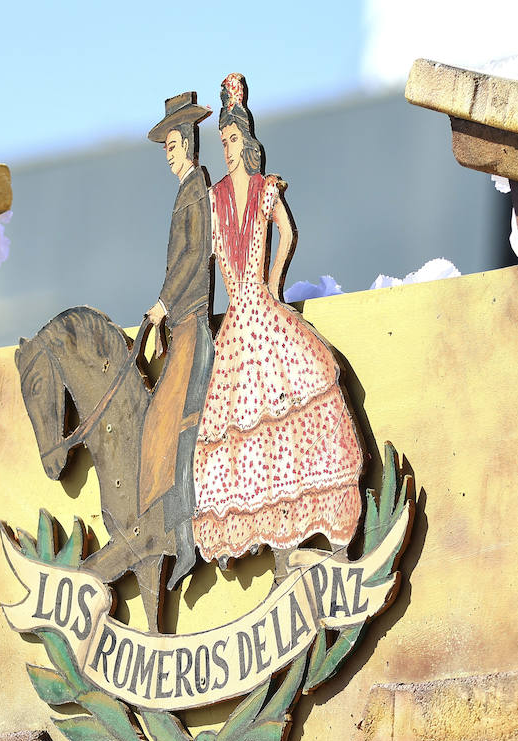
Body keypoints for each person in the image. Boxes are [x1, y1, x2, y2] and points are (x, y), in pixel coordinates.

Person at [192, 73, 363, 574]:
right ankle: (263, 529)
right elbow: (208, 255)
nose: (226, 150)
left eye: (231, 141)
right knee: (238, 419)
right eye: (221, 143)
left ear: (247, 141)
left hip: (262, 307)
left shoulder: (265, 189)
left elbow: (286, 231)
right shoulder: (217, 197)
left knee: (300, 391)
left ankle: (316, 518)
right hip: (237, 324)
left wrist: (271, 281)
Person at [141, 92, 215, 590]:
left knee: (176, 425)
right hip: (179, 323)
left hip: (191, 320)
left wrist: (164, 304)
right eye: (165, 147)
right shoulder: (184, 190)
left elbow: (194, 256)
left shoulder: (196, 188)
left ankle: (187, 541)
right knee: (161, 425)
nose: (168, 155)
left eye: (172, 144)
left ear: (188, 142)